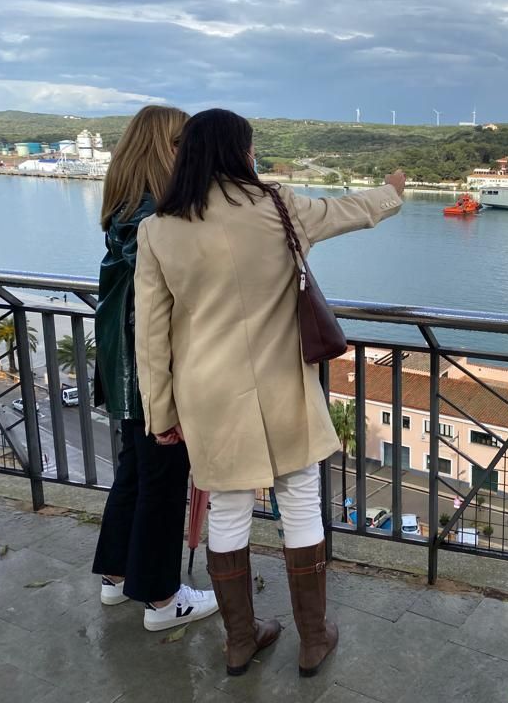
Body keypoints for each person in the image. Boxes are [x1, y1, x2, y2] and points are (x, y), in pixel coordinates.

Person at [134, 108, 404, 677]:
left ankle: (240, 640)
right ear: (240, 151)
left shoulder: (158, 230)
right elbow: (349, 211)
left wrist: (160, 414)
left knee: (228, 509)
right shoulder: (278, 208)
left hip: (207, 394)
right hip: (283, 382)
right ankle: (313, 638)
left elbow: (151, 336)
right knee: (301, 499)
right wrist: (392, 193)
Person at [91, 105, 219, 631]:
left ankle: (118, 576)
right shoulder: (157, 220)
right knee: (163, 482)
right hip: (152, 372)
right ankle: (164, 600)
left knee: (134, 474)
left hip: (121, 368)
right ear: (168, 149)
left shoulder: (123, 210)